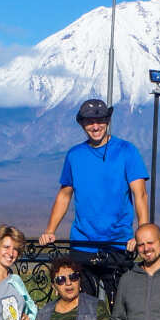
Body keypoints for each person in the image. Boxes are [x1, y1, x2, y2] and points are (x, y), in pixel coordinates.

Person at [38, 98, 149, 300]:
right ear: (82, 124)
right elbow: (64, 194)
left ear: (107, 121)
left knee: (120, 305)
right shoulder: (75, 155)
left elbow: (140, 194)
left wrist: (141, 233)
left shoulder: (127, 151)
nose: (95, 126)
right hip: (82, 244)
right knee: (83, 307)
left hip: (118, 243)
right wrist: (50, 230)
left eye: (100, 121)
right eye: (89, 121)